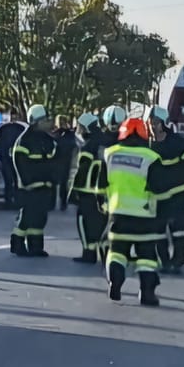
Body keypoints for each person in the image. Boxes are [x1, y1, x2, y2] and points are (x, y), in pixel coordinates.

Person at [102, 114, 167, 305]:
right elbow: (159, 189)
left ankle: (115, 281)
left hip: (118, 214)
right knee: (146, 257)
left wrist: (103, 205)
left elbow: (101, 184)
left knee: (117, 252)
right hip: (145, 216)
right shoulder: (152, 157)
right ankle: (147, 294)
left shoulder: (109, 154)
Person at [146, 110, 184, 272]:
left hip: (178, 191)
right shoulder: (145, 144)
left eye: (156, 122)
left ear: (164, 123)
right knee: (157, 230)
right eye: (150, 122)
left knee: (178, 228)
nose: (152, 126)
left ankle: (177, 260)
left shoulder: (179, 144)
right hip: (155, 194)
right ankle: (166, 261)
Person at [9, 103, 59, 257]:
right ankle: (17, 244)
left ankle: (35, 247)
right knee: (27, 217)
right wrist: (28, 183)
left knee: (40, 218)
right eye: (45, 120)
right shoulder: (24, 140)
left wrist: (52, 182)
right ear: (36, 121)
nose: (48, 123)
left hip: (44, 186)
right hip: (28, 187)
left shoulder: (47, 140)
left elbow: (53, 163)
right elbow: (20, 165)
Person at [71, 109, 111, 263]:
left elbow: (82, 171)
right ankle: (99, 252)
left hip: (87, 191)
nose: (78, 130)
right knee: (99, 222)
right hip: (105, 190)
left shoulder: (88, 145)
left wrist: (74, 192)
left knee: (84, 222)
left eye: (79, 126)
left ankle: (88, 253)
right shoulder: (106, 140)